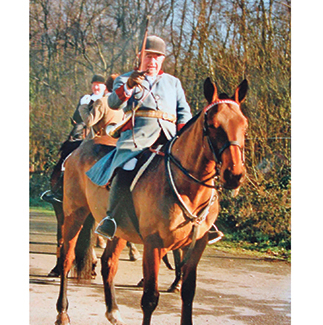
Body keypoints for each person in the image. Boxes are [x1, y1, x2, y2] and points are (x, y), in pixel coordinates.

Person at [87, 35, 222, 243]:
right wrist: (129, 87)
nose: (152, 61)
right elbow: (114, 103)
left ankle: (204, 221)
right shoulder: (126, 79)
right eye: (148, 56)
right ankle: (111, 218)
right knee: (126, 168)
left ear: (162, 59)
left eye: (157, 57)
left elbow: (183, 112)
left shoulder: (173, 83)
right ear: (140, 57)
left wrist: (182, 137)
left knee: (194, 170)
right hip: (137, 141)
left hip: (169, 139)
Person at [41, 74, 106, 203]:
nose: (96, 87)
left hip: (101, 134)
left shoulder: (108, 100)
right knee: (66, 156)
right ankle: (58, 189)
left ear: (104, 86)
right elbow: (77, 119)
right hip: (83, 134)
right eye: (94, 84)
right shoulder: (87, 98)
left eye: (99, 84)